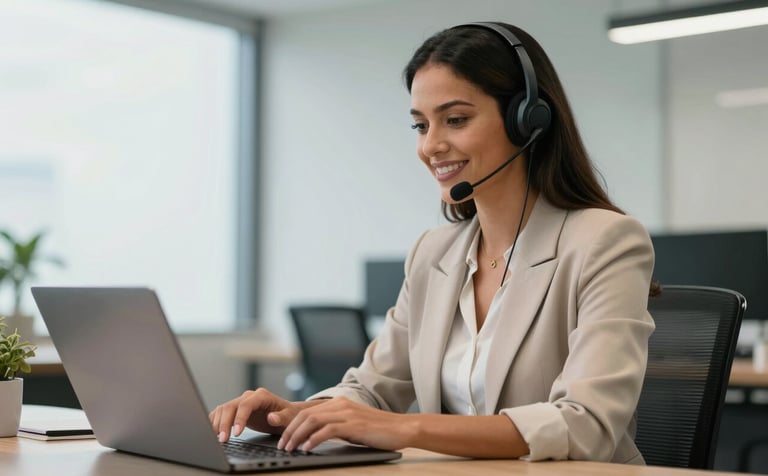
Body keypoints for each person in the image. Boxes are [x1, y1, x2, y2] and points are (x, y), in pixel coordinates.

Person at [210, 21, 656, 464]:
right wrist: (297, 414)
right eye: (420, 126)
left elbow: (585, 424)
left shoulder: (605, 241)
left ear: (528, 120)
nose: (432, 146)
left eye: (456, 119)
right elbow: (371, 388)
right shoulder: (434, 254)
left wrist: (407, 428)